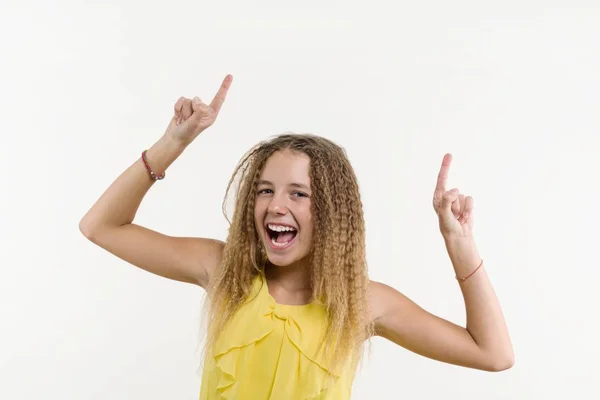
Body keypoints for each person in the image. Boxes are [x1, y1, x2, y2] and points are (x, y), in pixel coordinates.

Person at [79, 74, 514, 399]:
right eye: (265, 190)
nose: (276, 205)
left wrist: (459, 245)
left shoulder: (360, 303)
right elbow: (101, 227)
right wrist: (172, 142)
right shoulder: (223, 271)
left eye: (298, 194)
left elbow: (493, 354)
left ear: (331, 214)